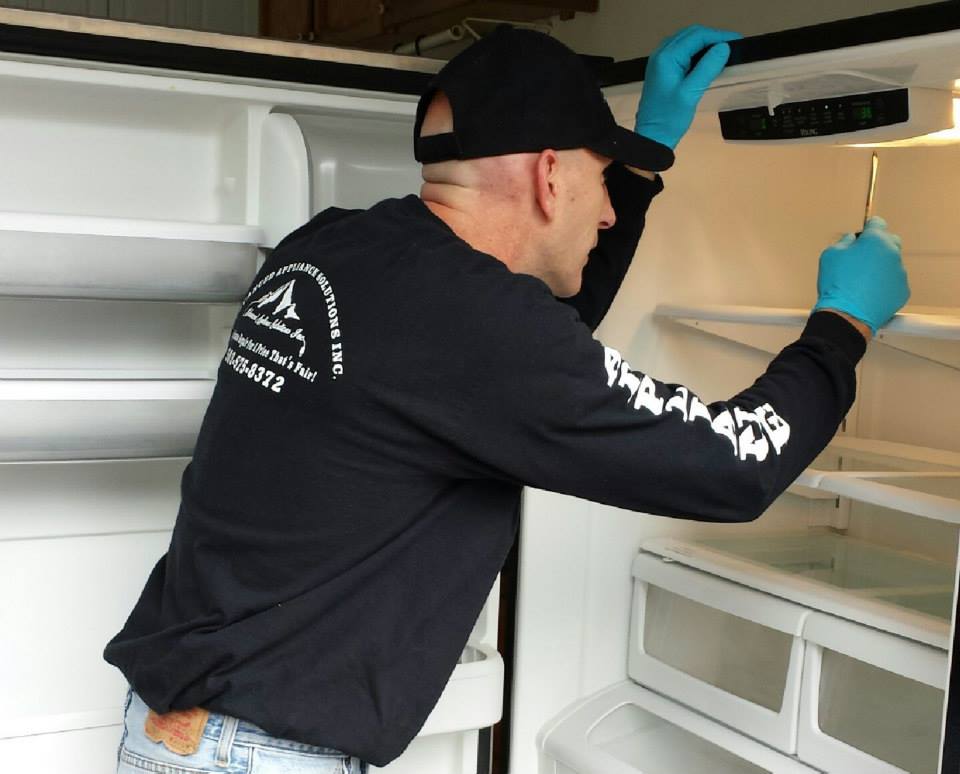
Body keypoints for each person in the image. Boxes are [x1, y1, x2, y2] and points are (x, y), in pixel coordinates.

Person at [104, 23, 908, 774]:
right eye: (600, 182)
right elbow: (728, 465)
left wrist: (642, 155)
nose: (605, 212)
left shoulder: (332, 245)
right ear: (549, 175)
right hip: (257, 755)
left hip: (179, 732)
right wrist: (840, 331)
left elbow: (523, 350)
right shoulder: (472, 328)